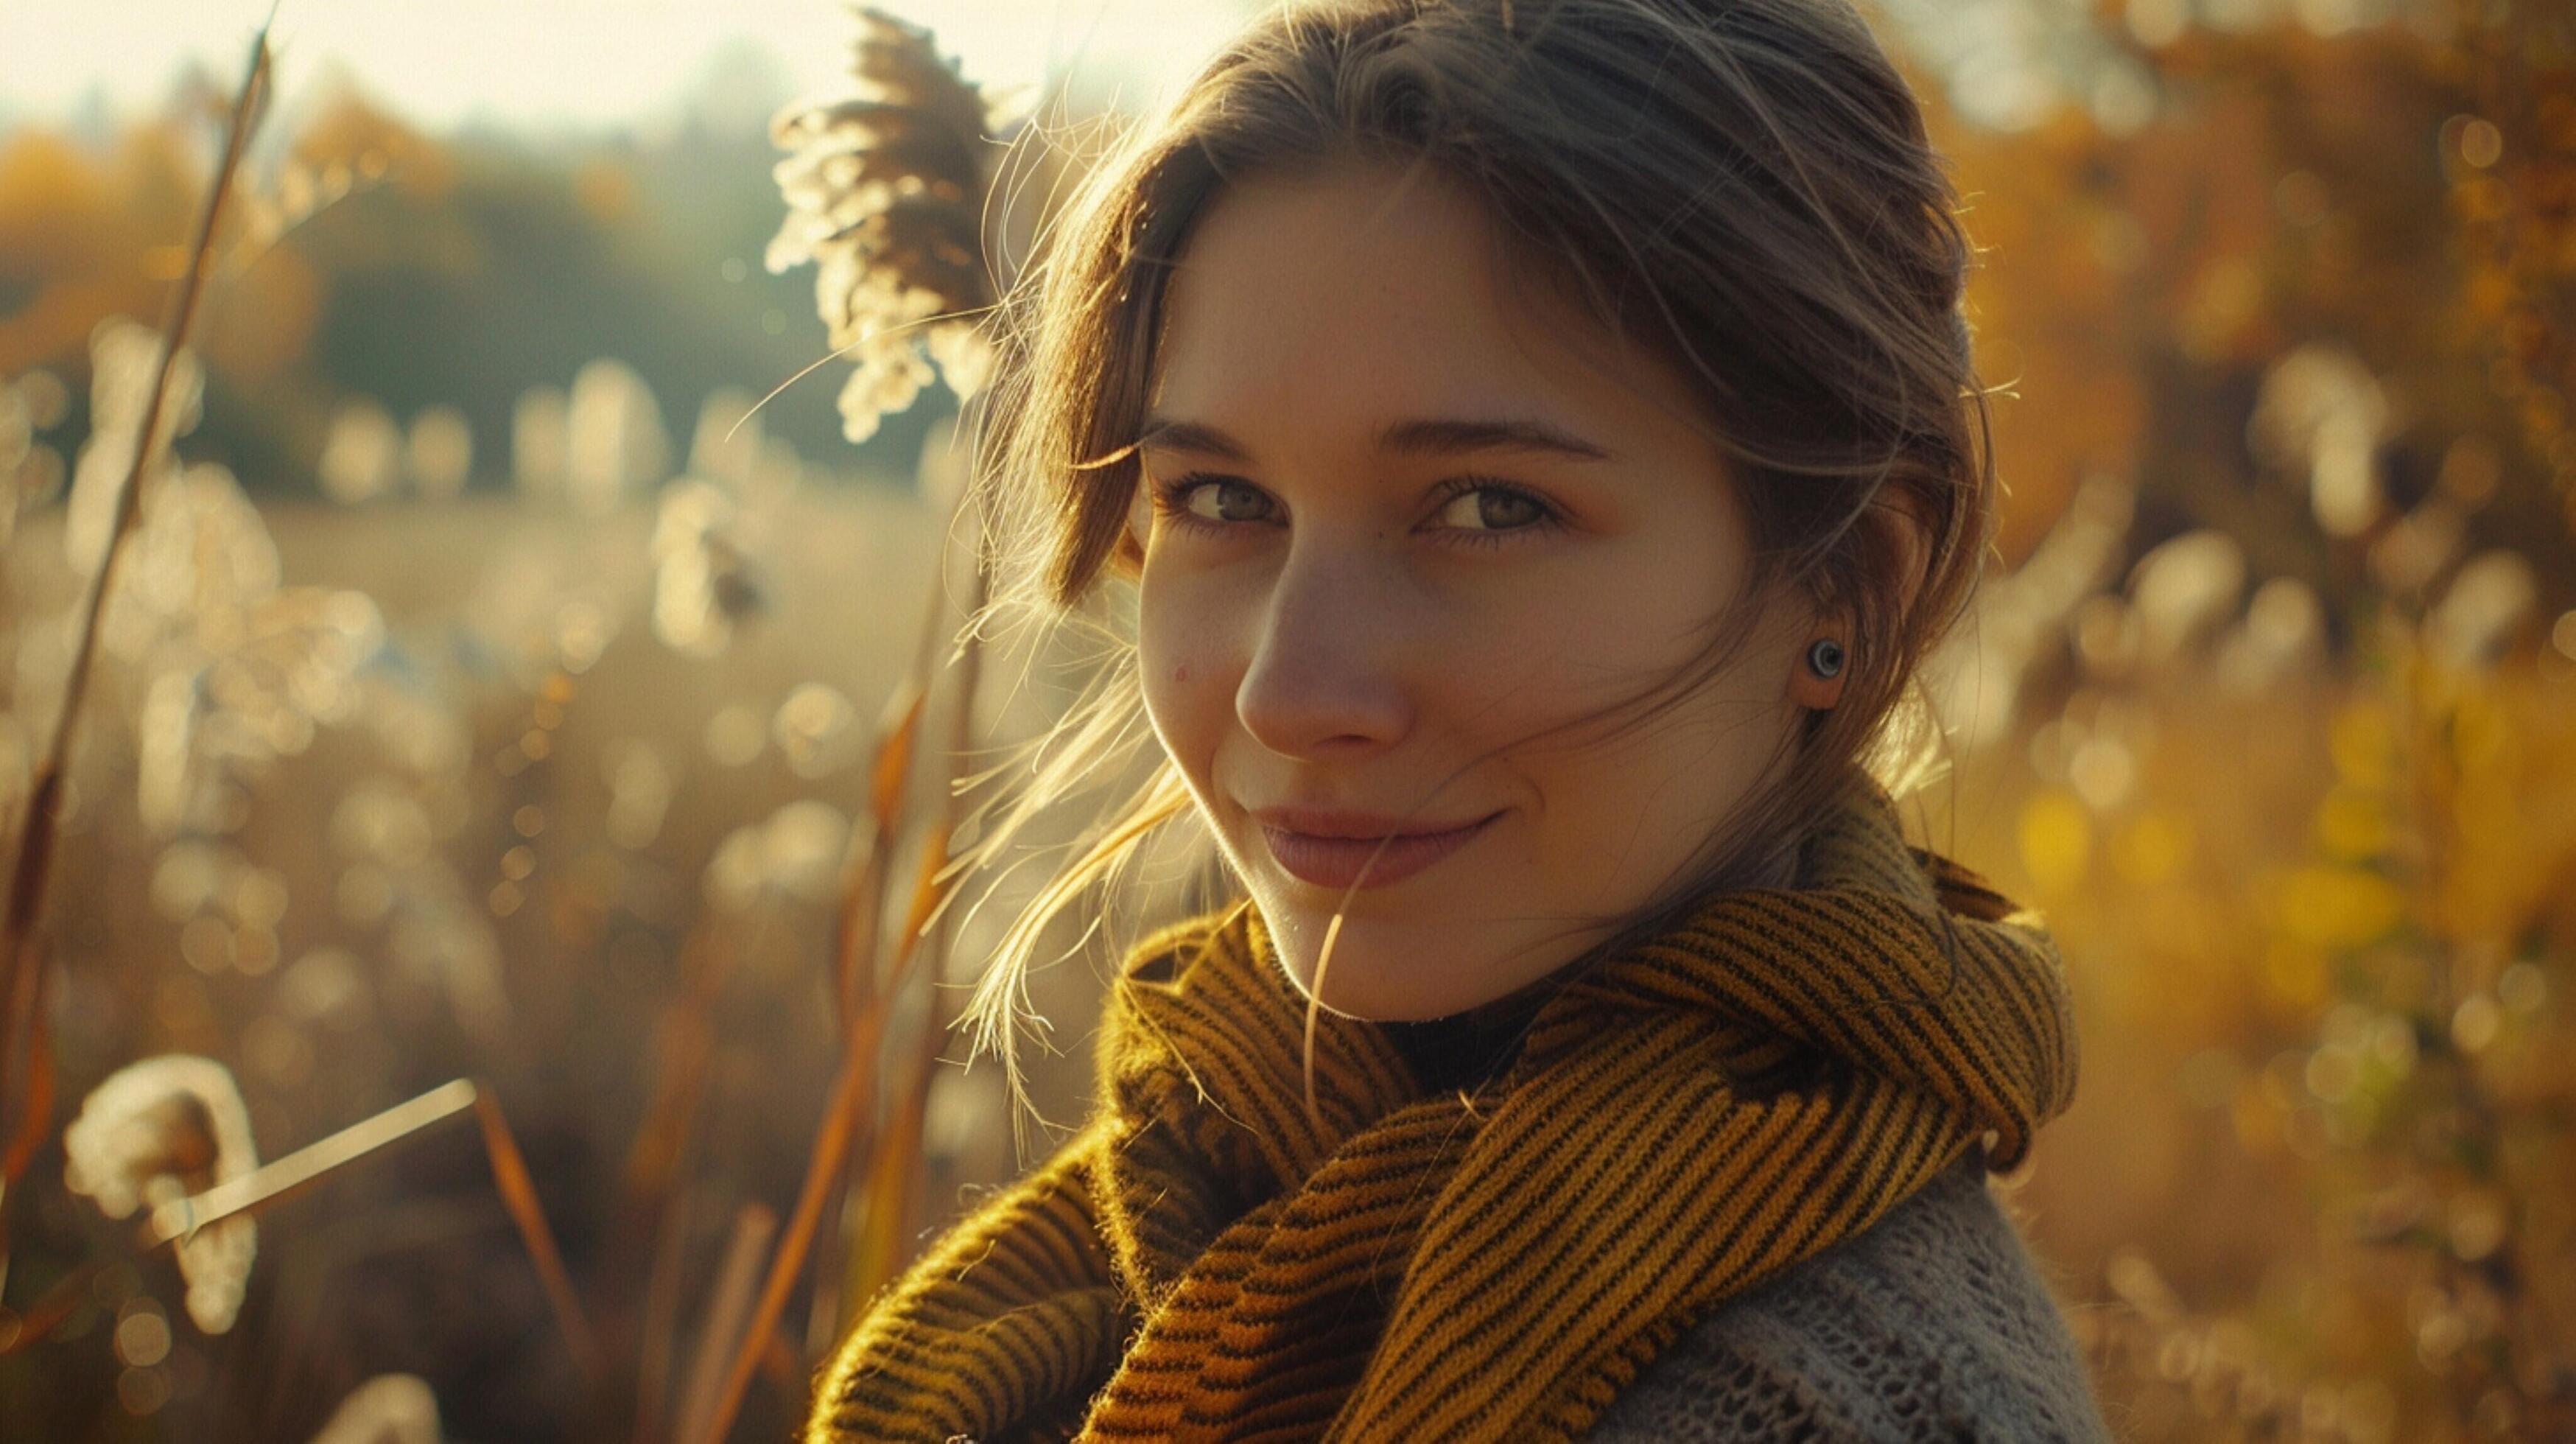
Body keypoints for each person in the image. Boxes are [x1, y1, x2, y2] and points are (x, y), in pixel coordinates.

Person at [809, 0, 2113, 1437]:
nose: (1289, 691)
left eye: (1491, 508)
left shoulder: (1820, 1407)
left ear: (1849, 582)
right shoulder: (1181, 1221)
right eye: (1221, 499)